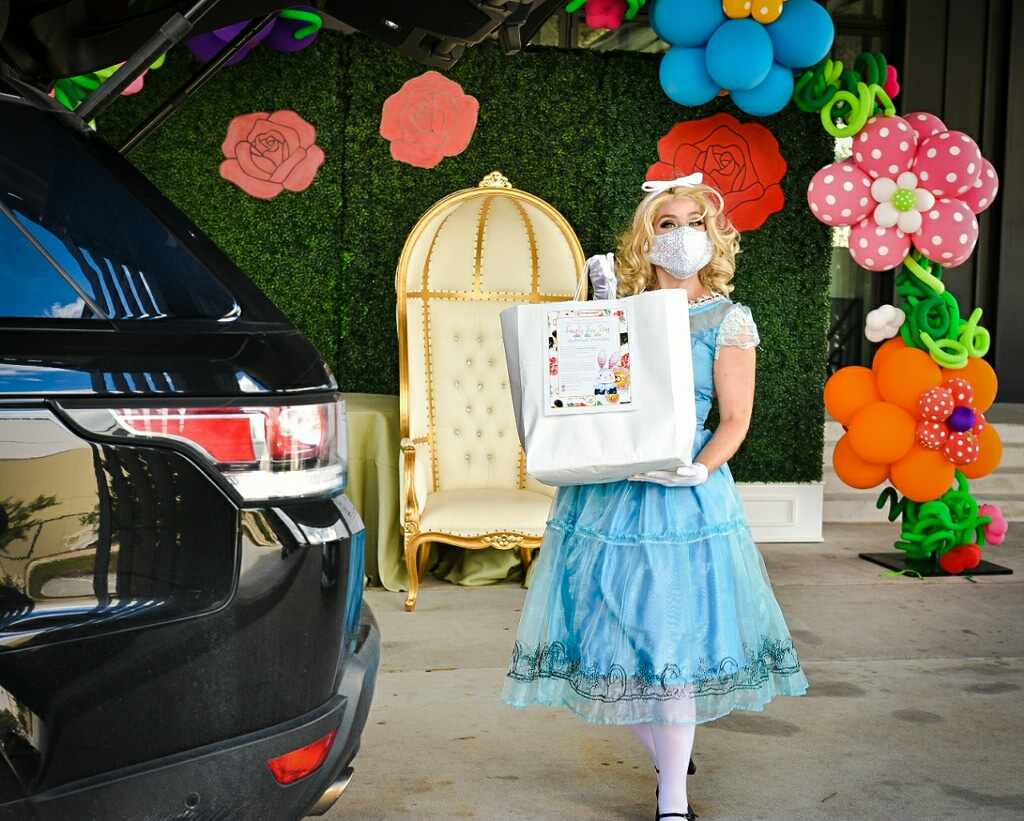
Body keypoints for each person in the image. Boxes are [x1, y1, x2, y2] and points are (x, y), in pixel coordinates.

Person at [501, 174, 809, 820]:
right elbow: (583, 393)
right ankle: (672, 751)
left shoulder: (728, 319)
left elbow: (735, 420)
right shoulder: (622, 310)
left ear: (713, 236)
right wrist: (593, 311)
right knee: (599, 641)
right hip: (607, 494)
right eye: (668, 223)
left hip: (683, 499)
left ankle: (673, 797)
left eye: (695, 222)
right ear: (646, 238)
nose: (682, 234)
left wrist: (699, 469)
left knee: (669, 645)